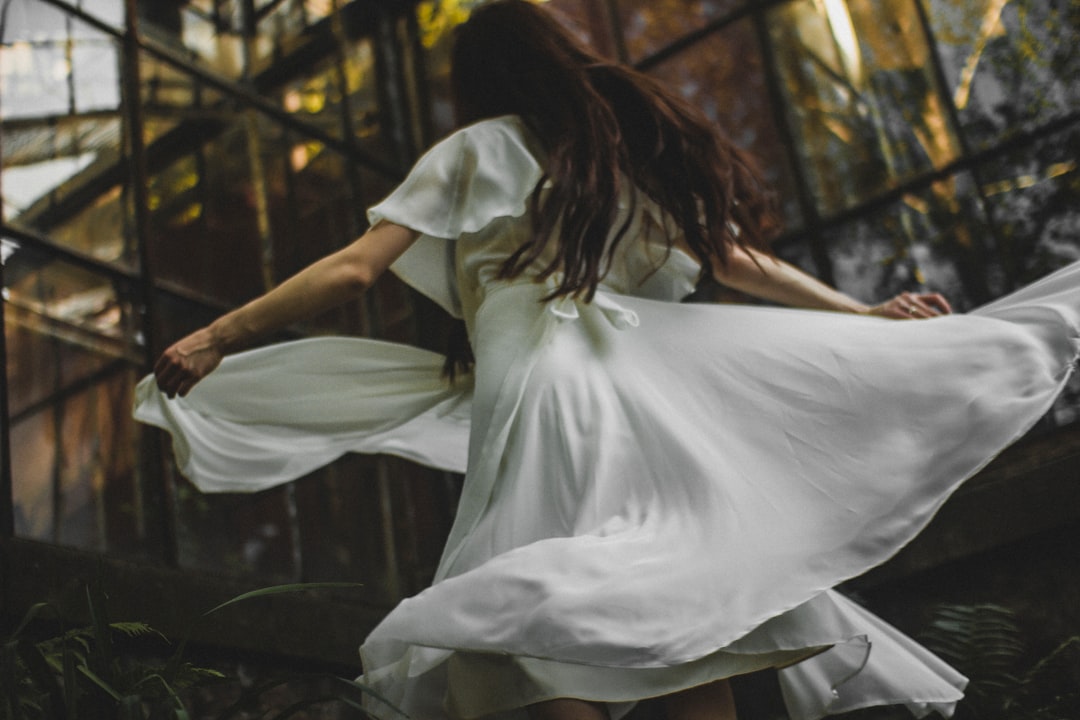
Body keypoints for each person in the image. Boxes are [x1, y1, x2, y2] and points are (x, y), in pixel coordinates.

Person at [138, 2, 1080, 719]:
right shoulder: (606, 163)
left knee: (538, 607)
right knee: (676, 612)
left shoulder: (477, 148)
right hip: (630, 391)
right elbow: (733, 260)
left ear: (480, 80)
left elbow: (353, 268)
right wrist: (859, 312)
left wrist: (220, 334)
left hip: (547, 390)